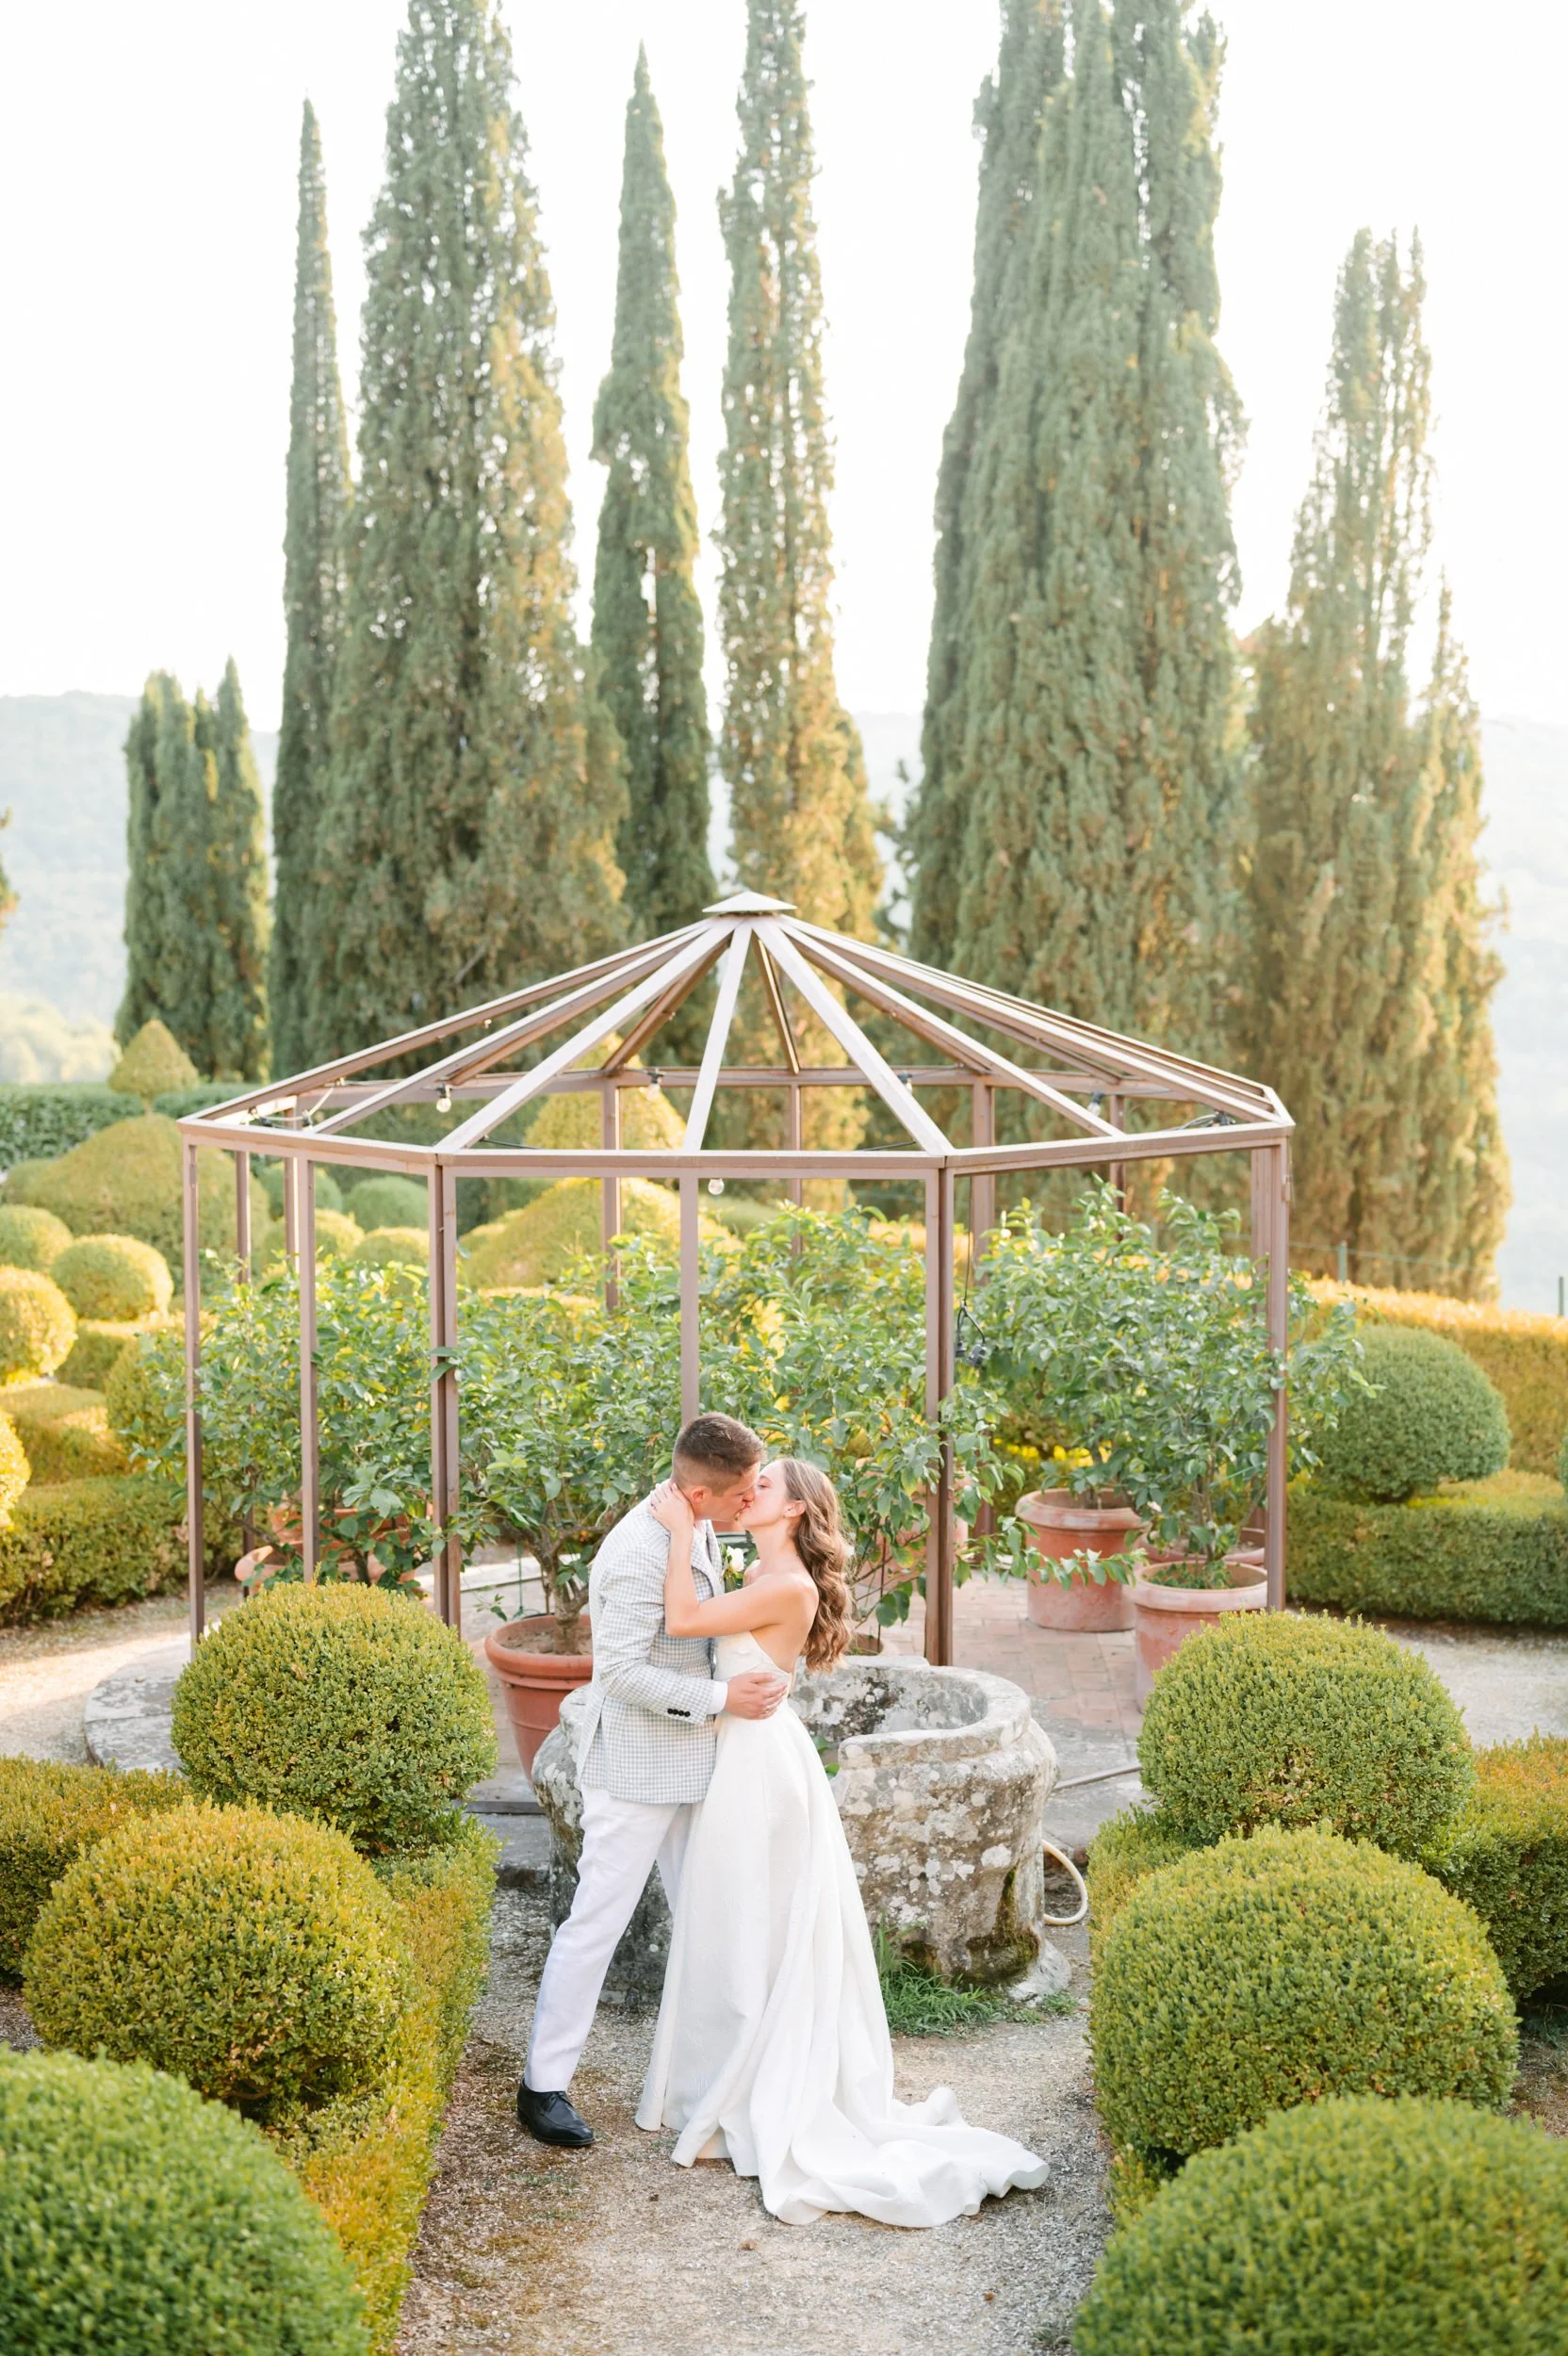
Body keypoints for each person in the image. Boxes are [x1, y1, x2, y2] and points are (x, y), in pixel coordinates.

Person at [635, 1455, 1049, 2228]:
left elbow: (685, 1622)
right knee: (733, 1920)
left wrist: (682, 1521)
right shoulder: (763, 1568)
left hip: (757, 1766)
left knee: (752, 1920)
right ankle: (722, 2072)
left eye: (763, 1487)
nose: (747, 1491)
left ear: (793, 1511)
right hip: (744, 1749)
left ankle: (751, 2077)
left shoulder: (787, 1582)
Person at [517, 1413, 786, 2151]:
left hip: (703, 1764)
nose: (751, 1498)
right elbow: (624, 1672)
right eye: (741, 1492)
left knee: (712, 1914)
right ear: (699, 1494)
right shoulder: (639, 1550)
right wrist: (723, 1699)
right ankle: (542, 2086)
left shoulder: (690, 1518)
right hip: (637, 1766)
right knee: (597, 1923)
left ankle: (713, 2076)